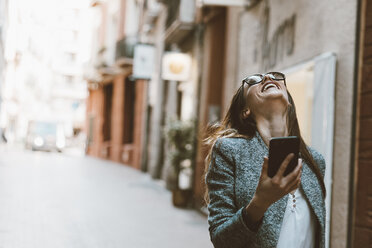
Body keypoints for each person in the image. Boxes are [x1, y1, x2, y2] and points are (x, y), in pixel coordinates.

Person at [204, 72, 326, 248]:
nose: (268, 79)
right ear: (245, 110)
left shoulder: (315, 161)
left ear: (288, 102)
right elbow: (221, 240)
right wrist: (260, 203)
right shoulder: (229, 150)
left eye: (275, 77)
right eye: (255, 80)